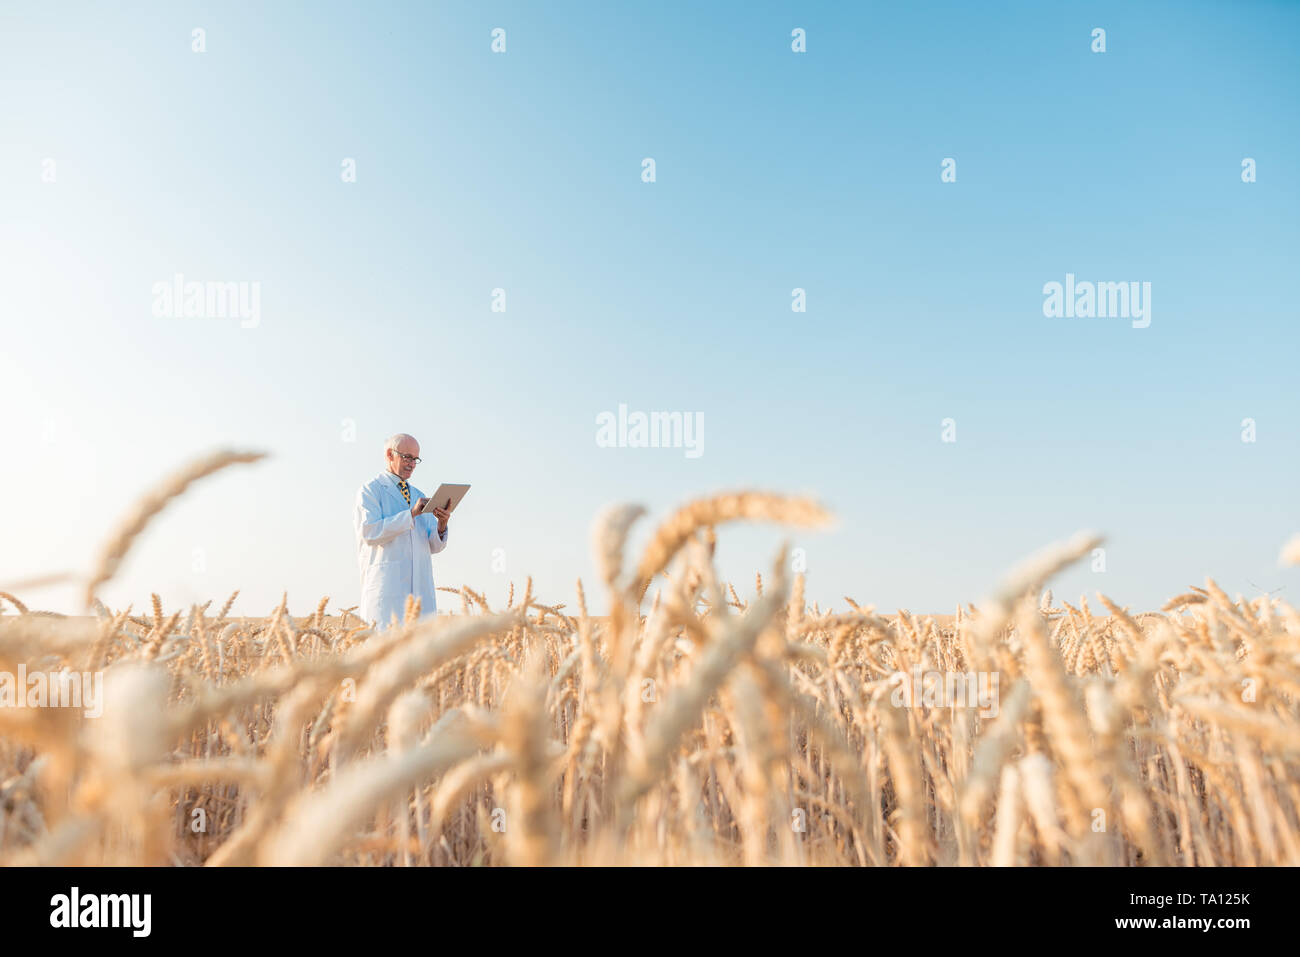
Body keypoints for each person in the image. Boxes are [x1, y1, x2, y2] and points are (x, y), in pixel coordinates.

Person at [353, 433, 451, 628]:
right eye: (407, 457)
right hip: (387, 592)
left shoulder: (418, 495)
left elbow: (433, 545)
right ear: (390, 454)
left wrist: (441, 524)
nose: (412, 464)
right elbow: (369, 533)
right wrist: (411, 514)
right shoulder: (371, 491)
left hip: (420, 595)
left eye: (415, 459)